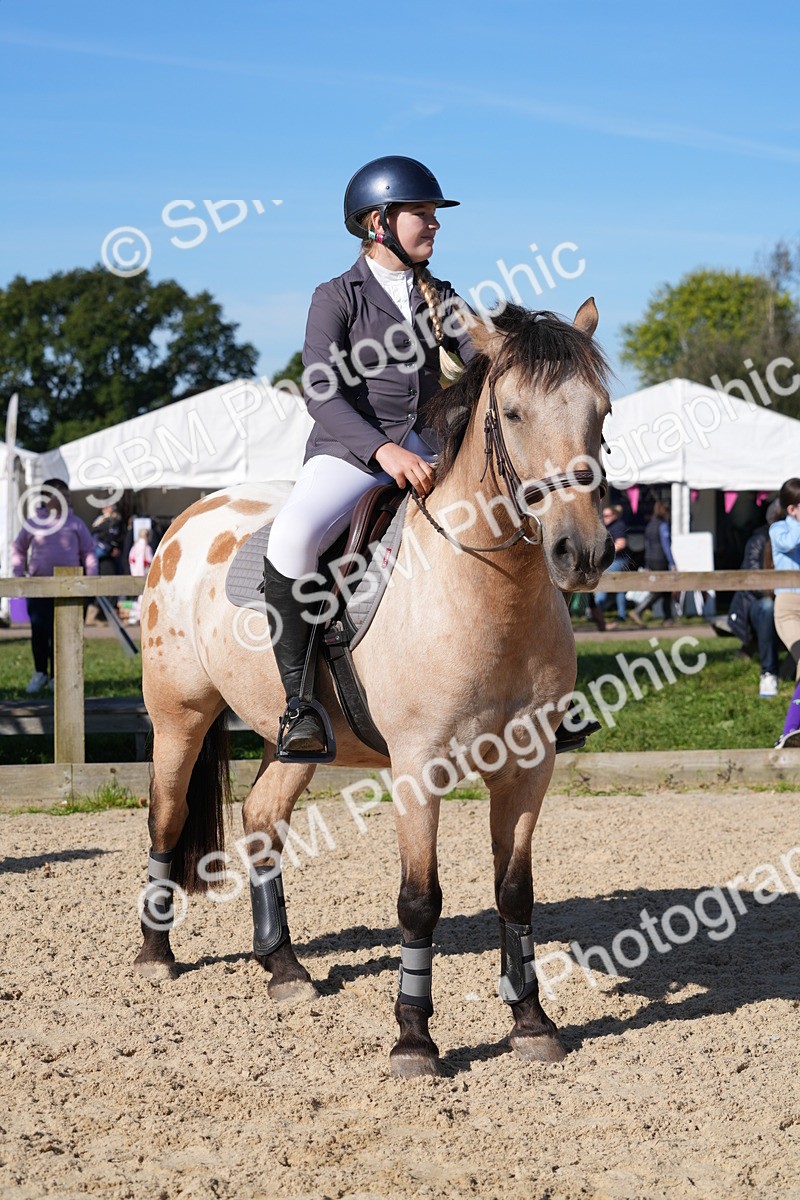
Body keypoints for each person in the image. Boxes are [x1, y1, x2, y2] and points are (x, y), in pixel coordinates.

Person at [263, 156, 476, 757]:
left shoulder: (442, 295)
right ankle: (299, 704)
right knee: (294, 535)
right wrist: (382, 450)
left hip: (433, 445)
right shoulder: (336, 296)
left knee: (515, 511)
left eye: (435, 215)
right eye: (422, 214)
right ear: (379, 222)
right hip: (352, 451)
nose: (434, 225)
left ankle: (541, 694)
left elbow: (486, 357)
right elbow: (320, 389)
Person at [11, 478, 98, 694]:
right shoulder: (34, 522)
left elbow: (88, 551)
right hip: (38, 587)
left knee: (66, 634)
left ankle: (59, 677)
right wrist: (17, 571)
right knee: (40, 631)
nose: (65, 500)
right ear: (46, 498)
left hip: (70, 589)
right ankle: (40, 672)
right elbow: (18, 547)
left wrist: (92, 577)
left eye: (67, 497)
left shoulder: (75, 523)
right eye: (60, 496)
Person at [724, 500, 782, 698]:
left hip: (787, 598)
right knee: (768, 607)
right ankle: (768, 672)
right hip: (755, 602)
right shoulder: (758, 539)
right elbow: (753, 579)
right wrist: (778, 593)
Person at [769, 478, 800, 749]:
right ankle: (790, 729)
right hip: (789, 607)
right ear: (793, 509)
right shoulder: (779, 529)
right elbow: (790, 544)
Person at [630, 500, 676, 625]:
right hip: (661, 559)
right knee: (661, 588)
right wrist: (672, 563)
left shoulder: (650, 525)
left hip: (651, 558)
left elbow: (647, 545)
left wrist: (647, 563)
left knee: (666, 588)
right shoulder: (662, 525)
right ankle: (639, 610)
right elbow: (666, 546)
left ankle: (668, 617)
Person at [593, 503, 631, 625]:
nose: (605, 517)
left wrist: (604, 553)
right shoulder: (607, 526)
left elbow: (621, 543)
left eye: (607, 515)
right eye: (603, 515)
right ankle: (621, 614)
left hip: (618, 560)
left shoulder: (618, 526)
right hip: (613, 560)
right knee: (619, 588)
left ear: (614, 515)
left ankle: (596, 610)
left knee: (603, 582)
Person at [128, 527, 153, 624]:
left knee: (139, 595)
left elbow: (131, 559)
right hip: (144, 573)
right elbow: (149, 560)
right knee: (142, 595)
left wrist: (134, 570)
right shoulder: (147, 548)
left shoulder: (134, 547)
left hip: (136, 573)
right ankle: (140, 615)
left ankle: (137, 615)